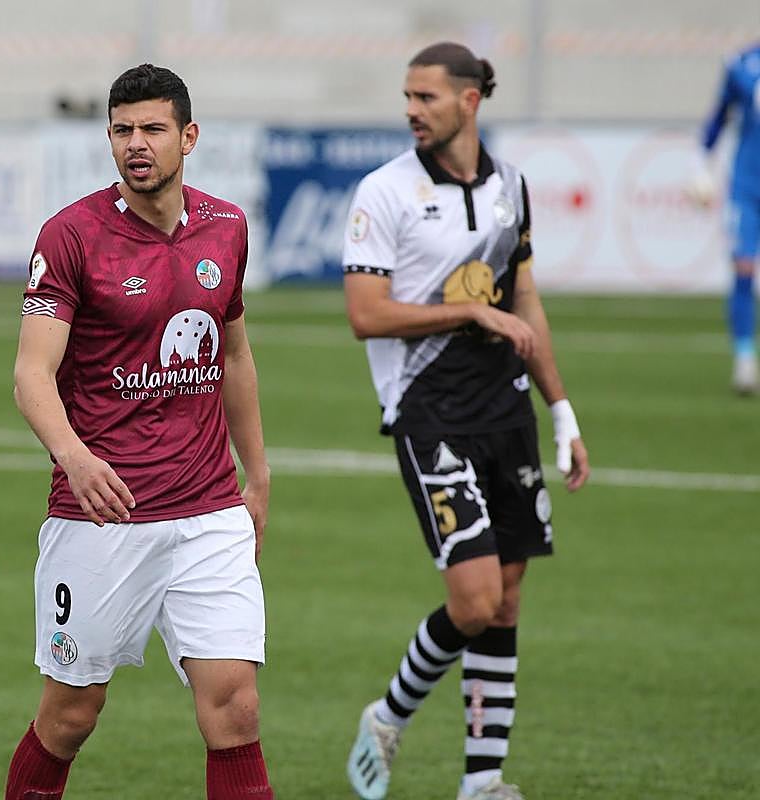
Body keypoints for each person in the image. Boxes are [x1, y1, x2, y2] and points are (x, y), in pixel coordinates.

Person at [4, 63, 275, 800]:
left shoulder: (227, 228)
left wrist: (257, 475)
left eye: (152, 128)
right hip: (103, 513)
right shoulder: (70, 237)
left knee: (237, 709)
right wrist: (74, 457)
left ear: (188, 136)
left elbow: (236, 354)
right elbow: (32, 376)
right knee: (71, 716)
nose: (136, 144)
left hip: (208, 508)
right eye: (122, 130)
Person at [339, 42, 591, 800]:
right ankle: (388, 715)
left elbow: (526, 305)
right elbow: (365, 315)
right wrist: (470, 311)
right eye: (408, 97)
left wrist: (562, 411)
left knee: (508, 599)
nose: (413, 110)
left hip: (505, 409)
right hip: (429, 413)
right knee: (475, 600)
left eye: (427, 97)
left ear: (471, 100)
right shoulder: (382, 193)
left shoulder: (512, 185)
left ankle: (483, 784)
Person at [693, 41, 760, 394]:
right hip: (747, 188)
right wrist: (701, 165)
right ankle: (745, 359)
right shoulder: (743, 64)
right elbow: (719, 116)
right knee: (744, 268)